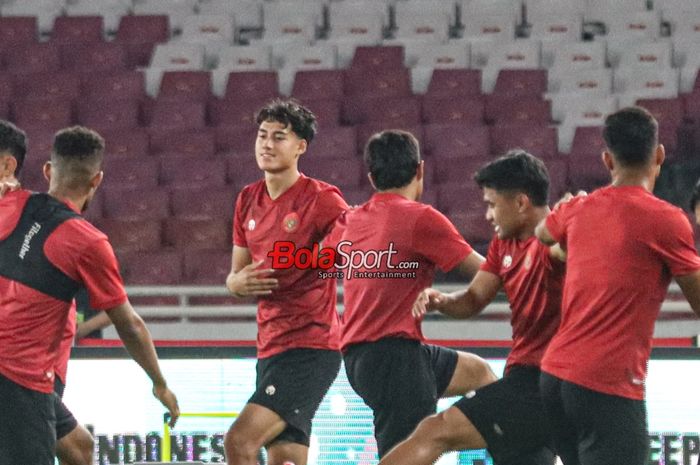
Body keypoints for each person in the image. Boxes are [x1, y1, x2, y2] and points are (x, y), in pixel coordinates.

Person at [0, 125, 180, 465]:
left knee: (79, 449)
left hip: (20, 375)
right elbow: (130, 325)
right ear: (96, 180)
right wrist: (159, 383)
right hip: (20, 380)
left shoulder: (11, 201)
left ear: (48, 171)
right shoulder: (88, 241)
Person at [535, 106, 700, 465]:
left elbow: (541, 233)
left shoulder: (578, 207)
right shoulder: (667, 220)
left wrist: (568, 246)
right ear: (659, 154)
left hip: (554, 380)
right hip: (607, 385)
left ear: (608, 160)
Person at [377, 150, 563, 465]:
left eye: (492, 205)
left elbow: (572, 252)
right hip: (524, 376)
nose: (488, 215)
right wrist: (443, 302)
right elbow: (476, 298)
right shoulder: (504, 244)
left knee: (435, 431)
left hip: (547, 382)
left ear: (520, 203)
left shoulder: (557, 241)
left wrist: (578, 222)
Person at [325, 130, 497, 458]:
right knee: (406, 456)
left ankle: (504, 447)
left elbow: (315, 260)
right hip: (394, 359)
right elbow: (487, 272)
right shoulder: (420, 219)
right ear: (420, 170)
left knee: (480, 373)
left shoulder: (349, 220)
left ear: (372, 177)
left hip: (361, 360)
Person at [224, 99, 348, 465]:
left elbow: (348, 247)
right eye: (262, 135)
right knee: (286, 460)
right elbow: (235, 275)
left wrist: (315, 260)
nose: (267, 144)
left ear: (300, 147)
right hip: (271, 347)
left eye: (279, 137)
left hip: (311, 346)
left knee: (239, 441)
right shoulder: (247, 200)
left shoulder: (323, 199)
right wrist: (236, 284)